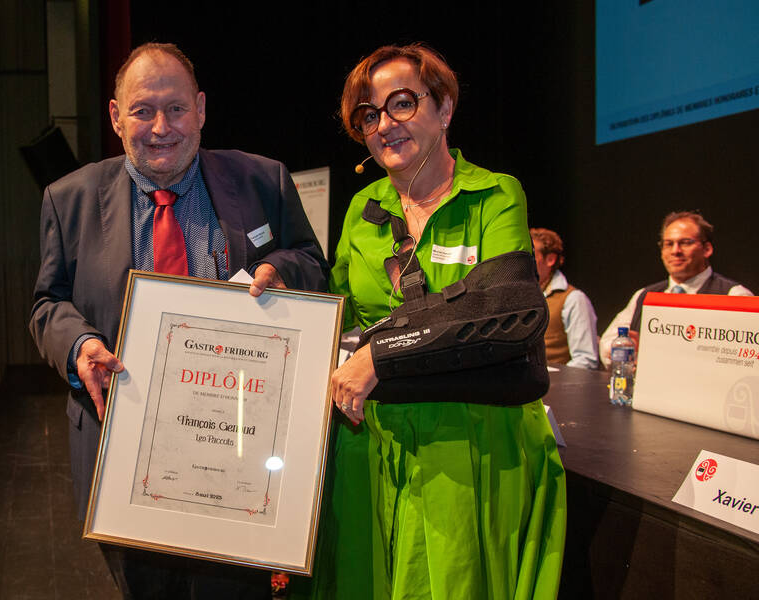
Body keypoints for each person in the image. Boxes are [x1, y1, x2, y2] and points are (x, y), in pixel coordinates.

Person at [29, 42, 328, 599]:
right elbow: (48, 304)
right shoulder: (67, 199)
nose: (161, 127)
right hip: (121, 452)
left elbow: (312, 263)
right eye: (143, 110)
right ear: (116, 117)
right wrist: (80, 346)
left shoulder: (264, 180)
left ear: (202, 109)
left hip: (242, 449)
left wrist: (279, 269)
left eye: (177, 108)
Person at [293, 44, 566, 599]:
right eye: (369, 115)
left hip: (470, 445)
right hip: (370, 444)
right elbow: (338, 315)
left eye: (400, 104)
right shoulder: (362, 210)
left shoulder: (494, 194)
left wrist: (382, 354)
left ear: (443, 109)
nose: (383, 125)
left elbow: (509, 313)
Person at [599, 211, 752, 368]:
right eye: (668, 244)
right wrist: (626, 348)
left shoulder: (734, 295)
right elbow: (607, 344)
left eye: (685, 242)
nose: (675, 251)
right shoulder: (644, 295)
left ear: (707, 249)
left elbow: (746, 358)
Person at [530, 227, 599, 368]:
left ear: (550, 259)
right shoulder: (519, 297)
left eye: (532, 257)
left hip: (555, 385)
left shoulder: (573, 299)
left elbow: (585, 360)